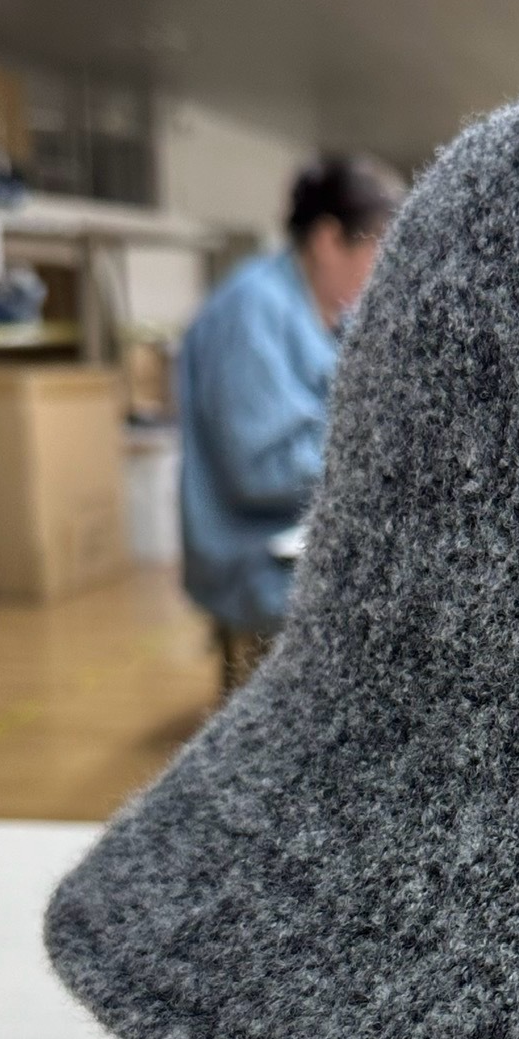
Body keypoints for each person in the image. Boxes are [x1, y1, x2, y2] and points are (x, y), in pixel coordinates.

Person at [178, 154, 404, 684]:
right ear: (328, 240)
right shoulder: (252, 310)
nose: (385, 269)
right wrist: (382, 459)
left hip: (303, 533)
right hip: (254, 557)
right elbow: (259, 471)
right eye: (378, 248)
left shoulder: (327, 313)